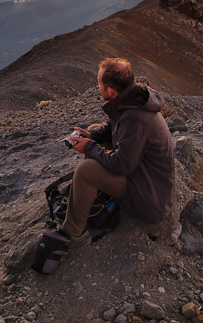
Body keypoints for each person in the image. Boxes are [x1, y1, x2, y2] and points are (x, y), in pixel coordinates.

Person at [63, 57, 175, 246]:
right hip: (140, 171)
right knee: (95, 130)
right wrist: (91, 136)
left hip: (148, 192)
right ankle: (92, 193)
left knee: (85, 170)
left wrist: (89, 147)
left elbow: (121, 165)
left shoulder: (135, 117)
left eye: (99, 83)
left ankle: (74, 234)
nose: (97, 86)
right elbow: (113, 125)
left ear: (110, 91)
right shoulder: (133, 98)